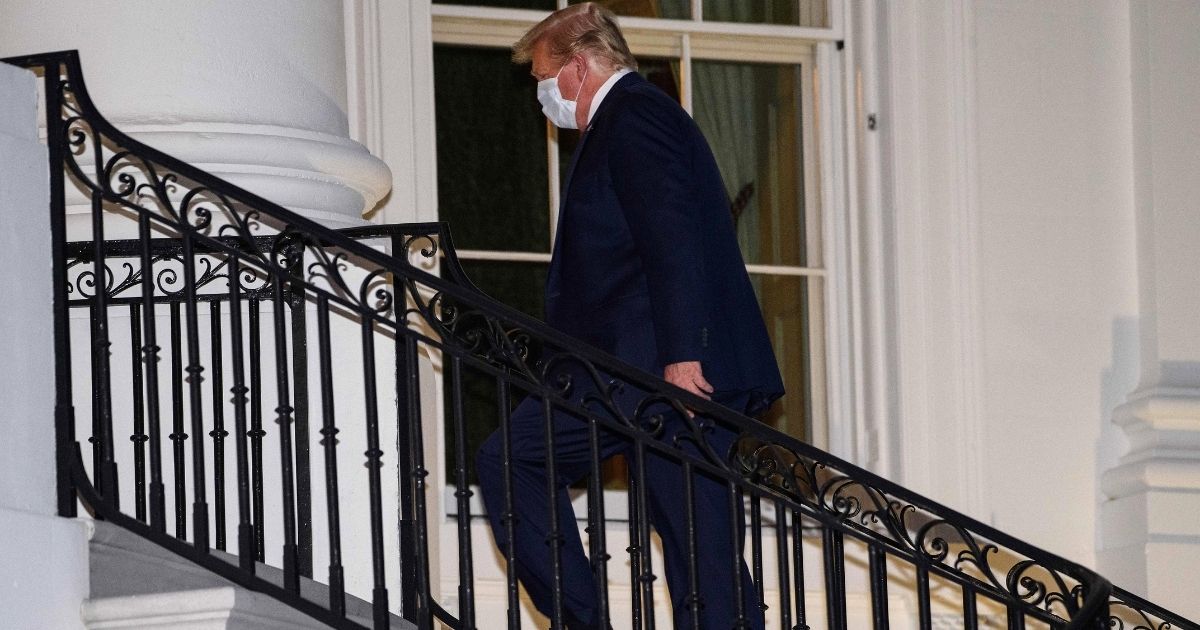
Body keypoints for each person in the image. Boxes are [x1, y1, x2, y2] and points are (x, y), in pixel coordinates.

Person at [476, 3, 784, 628]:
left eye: (544, 77)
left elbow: (673, 238)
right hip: (633, 369)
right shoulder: (631, 120)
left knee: (514, 459)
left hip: (651, 370)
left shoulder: (635, 116)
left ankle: (582, 615)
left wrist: (683, 354)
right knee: (701, 543)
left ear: (581, 68)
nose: (542, 96)